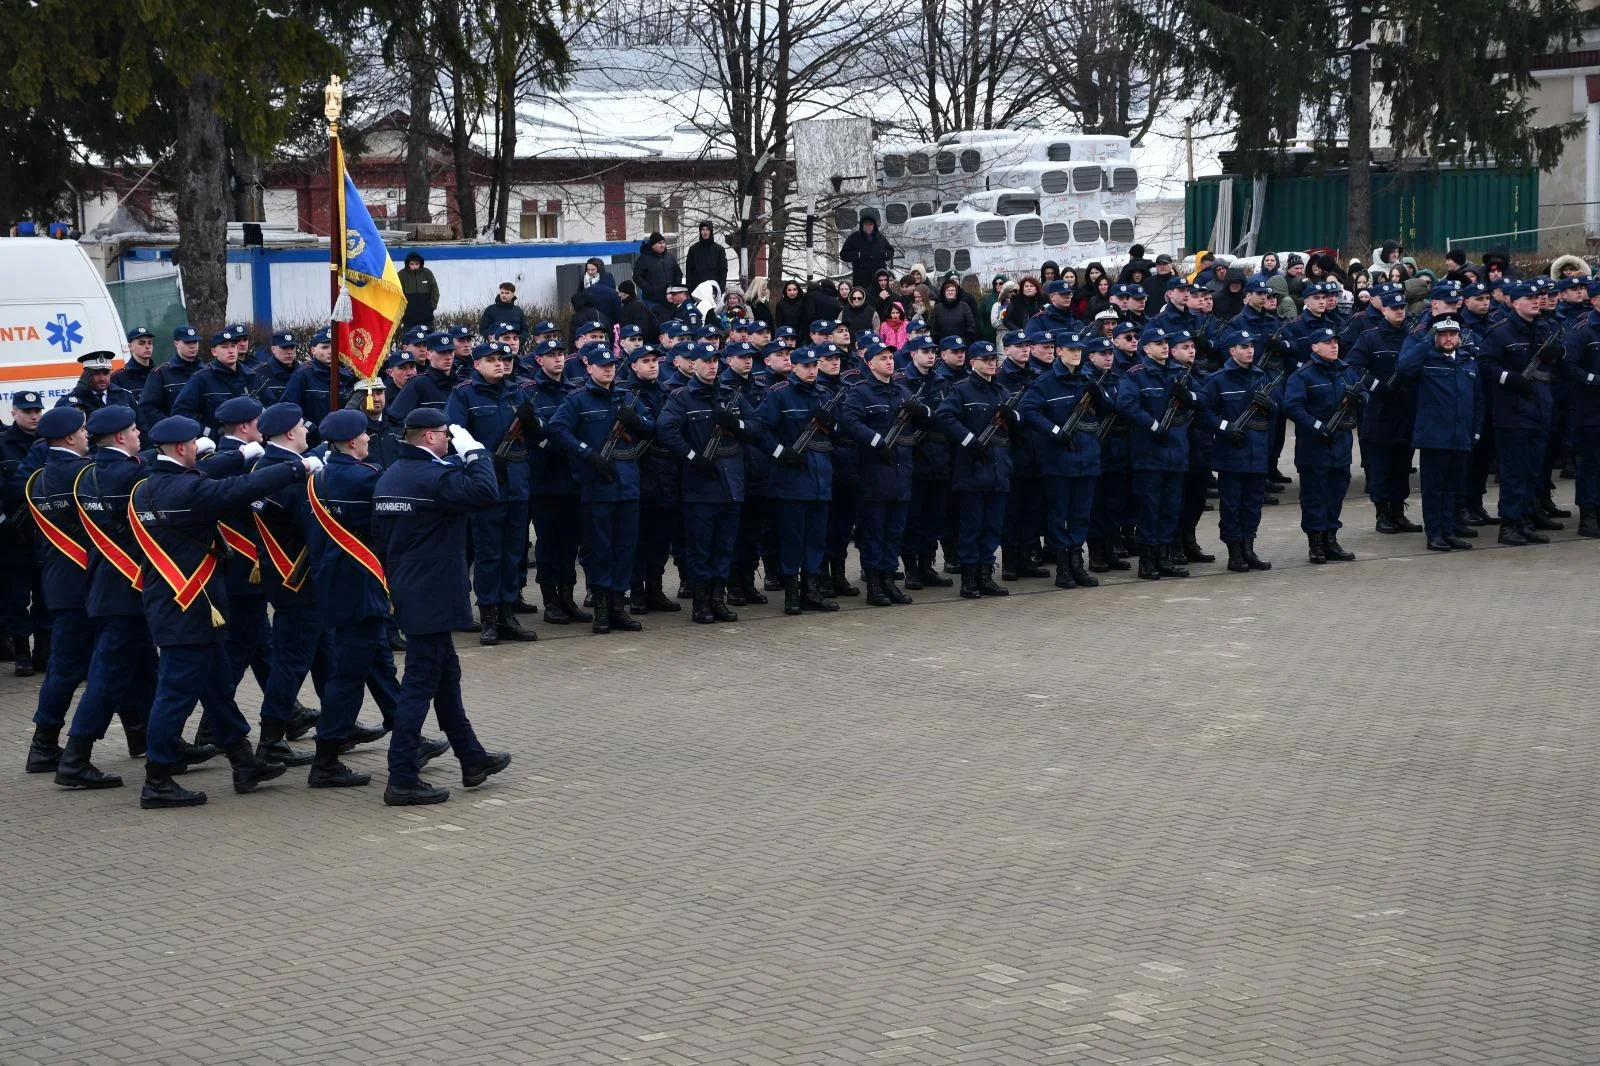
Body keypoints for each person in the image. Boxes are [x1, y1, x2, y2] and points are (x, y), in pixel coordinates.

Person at [130, 414, 313, 809]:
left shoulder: (147, 488)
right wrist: (296, 468)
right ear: (181, 448)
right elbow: (240, 488)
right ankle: (157, 778)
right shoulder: (188, 492)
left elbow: (210, 471)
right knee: (174, 695)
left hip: (181, 603)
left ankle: (244, 762)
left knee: (216, 689)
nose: (198, 449)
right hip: (188, 606)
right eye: (194, 443)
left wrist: (242, 453)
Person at [371, 409, 512, 806]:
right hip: (432, 594)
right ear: (430, 437)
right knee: (419, 685)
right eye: (445, 436)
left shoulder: (392, 475)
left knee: (446, 677)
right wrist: (477, 454)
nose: (450, 441)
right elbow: (486, 494)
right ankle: (401, 775)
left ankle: (471, 757)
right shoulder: (432, 477)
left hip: (408, 588)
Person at [300, 408, 401, 787]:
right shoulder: (364, 479)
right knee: (347, 678)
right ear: (352, 441)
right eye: (363, 435)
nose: (368, 440)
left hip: (334, 583)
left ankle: (408, 733)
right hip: (362, 587)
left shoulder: (318, 479)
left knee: (379, 665)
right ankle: (325, 758)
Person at [548, 342, 655, 634]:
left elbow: (652, 427)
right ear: (589, 367)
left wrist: (638, 422)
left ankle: (619, 606)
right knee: (600, 549)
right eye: (602, 366)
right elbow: (557, 430)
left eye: (611, 366)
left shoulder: (628, 397)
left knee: (625, 547)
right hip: (597, 486)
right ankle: (602, 609)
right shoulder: (577, 400)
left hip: (628, 484)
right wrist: (587, 454)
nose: (608, 370)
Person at [19, 407, 100, 775]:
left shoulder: (38, 477)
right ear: (70, 438)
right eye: (84, 431)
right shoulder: (84, 474)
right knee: (67, 669)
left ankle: (139, 732)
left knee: (126, 661)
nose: (88, 436)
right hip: (84, 583)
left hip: (59, 582)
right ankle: (44, 744)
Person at [655, 342, 759, 623]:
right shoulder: (681, 398)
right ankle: (701, 603)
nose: (712, 365)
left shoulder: (730, 395)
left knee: (724, 547)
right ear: (693, 364)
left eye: (715, 360)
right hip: (700, 486)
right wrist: (692, 456)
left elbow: (757, 426)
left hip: (731, 485)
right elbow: (665, 429)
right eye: (705, 360)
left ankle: (718, 599)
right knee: (700, 549)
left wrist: (736, 424)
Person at [445, 342, 539, 644]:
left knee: (514, 553)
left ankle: (508, 613)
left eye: (504, 359)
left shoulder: (518, 392)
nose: (500, 364)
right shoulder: (464, 395)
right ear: (477, 364)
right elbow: (455, 435)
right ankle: (488, 616)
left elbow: (538, 437)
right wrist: (484, 458)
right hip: (486, 486)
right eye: (492, 359)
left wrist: (533, 421)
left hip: (517, 482)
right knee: (489, 554)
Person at [1018, 332, 1105, 589]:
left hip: (1087, 458)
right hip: (1059, 460)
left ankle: (1077, 563)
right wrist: (1054, 431)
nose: (1076, 354)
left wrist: (1099, 396)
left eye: (1079, 350)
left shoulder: (1088, 379)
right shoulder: (1045, 383)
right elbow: (1028, 410)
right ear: (1059, 351)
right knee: (1058, 515)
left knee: (1081, 514)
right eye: (1071, 349)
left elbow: (1108, 410)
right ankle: (1063, 567)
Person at [1478, 280, 1561, 545]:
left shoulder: (1544, 328)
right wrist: (1508, 378)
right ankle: (1510, 524)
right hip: (1512, 412)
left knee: (1532, 470)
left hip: (1539, 409)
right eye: (1529, 297)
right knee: (1514, 472)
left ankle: (1525, 519)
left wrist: (1558, 352)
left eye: (1538, 297)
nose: (1537, 301)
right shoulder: (1501, 332)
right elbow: (1485, 364)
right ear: (1514, 303)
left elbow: (1565, 353)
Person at [1114, 324, 1196, 579]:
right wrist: (1152, 424)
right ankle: (1148, 561)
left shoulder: (1179, 373)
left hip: (1177, 452)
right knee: (1149, 508)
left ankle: (1165, 557)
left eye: (1165, 343)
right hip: (1149, 453)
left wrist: (1189, 396)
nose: (1163, 347)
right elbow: (1126, 404)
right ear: (1145, 348)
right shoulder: (1136, 374)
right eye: (1158, 343)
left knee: (1171, 508)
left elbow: (1202, 399)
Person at [934, 341, 1015, 598]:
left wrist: (1013, 417)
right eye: (986, 358)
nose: (992, 362)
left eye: (994, 358)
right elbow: (944, 417)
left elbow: (1017, 424)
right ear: (973, 362)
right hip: (972, 470)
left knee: (992, 528)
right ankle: (969, 579)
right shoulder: (962, 390)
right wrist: (970, 440)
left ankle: (985, 575)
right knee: (972, 528)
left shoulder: (1001, 391)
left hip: (998, 469)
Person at [837, 341, 916, 606]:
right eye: (882, 358)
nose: (889, 362)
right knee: (874, 532)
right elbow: (849, 422)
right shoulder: (860, 393)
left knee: (895, 531)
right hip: (874, 472)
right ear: (870, 364)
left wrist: (922, 412)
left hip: (900, 472)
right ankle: (874, 584)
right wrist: (875, 441)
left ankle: (888, 580)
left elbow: (927, 420)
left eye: (890, 358)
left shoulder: (903, 392)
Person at [1394, 318, 1483, 551]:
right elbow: (1403, 368)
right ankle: (1434, 533)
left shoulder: (1468, 361)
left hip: (1461, 435)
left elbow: (1478, 400)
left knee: (1454, 488)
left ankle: (1449, 530)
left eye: (1453, 334)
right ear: (1435, 336)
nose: (1448, 339)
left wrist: (1475, 432)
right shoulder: (1426, 360)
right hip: (1435, 437)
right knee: (1434, 489)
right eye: (1442, 334)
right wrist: (1426, 340)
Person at [1345, 290, 1423, 534]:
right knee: (1381, 467)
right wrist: (1376, 386)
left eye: (1403, 308)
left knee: (1402, 466)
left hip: (1407, 410)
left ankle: (1399, 512)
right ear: (1384, 310)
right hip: (1378, 412)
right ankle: (1382, 514)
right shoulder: (1370, 338)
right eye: (1395, 308)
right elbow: (1352, 366)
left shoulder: (1413, 337)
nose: (1400, 311)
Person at [1284, 327, 1364, 563]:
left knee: (1336, 494)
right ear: (1314, 347)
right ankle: (1316, 543)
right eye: (1327, 342)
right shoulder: (1303, 375)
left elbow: (1363, 392)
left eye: (1335, 342)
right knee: (1314, 497)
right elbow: (1292, 407)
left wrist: (1359, 399)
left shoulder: (1345, 371)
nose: (1333, 346)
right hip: (1314, 447)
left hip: (1341, 445)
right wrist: (1317, 426)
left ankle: (1331, 539)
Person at [1198, 329, 1276, 572]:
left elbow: (1278, 408)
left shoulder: (1261, 376)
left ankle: (1248, 548)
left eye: (1251, 346)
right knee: (1231, 505)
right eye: (1243, 347)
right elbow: (1203, 412)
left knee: (1252, 505)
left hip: (1258, 452)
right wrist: (1225, 427)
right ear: (1232, 351)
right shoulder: (1218, 380)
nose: (1249, 350)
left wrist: (1271, 405)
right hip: (1232, 453)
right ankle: (1234, 552)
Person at [0, 390, 48, 675]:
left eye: (37, 411)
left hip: (44, 531)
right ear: (14, 413)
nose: (33, 416)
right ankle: (22, 651)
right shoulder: (3, 445)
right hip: (13, 536)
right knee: (16, 596)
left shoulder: (49, 443)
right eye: (27, 411)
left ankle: (44, 649)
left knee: (45, 594)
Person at [173, 327, 256, 434]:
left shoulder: (251, 376)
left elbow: (269, 404)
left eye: (233, 346)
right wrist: (208, 432)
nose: (230, 351)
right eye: (224, 347)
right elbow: (181, 412)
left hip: (249, 440)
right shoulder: (202, 378)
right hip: (216, 443)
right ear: (214, 352)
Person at [282, 329, 354, 437]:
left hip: (342, 437)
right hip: (312, 440)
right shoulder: (303, 375)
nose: (331, 351)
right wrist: (310, 427)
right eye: (325, 347)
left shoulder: (346, 376)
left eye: (334, 346)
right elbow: (288, 409)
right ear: (313, 350)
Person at [138, 324, 204, 428]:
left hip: (206, 434)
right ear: (176, 343)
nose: (192, 346)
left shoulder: (205, 372)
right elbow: (147, 407)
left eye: (195, 342)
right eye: (187, 342)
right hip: (174, 435)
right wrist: (171, 425)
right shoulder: (161, 373)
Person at [59, 350, 140, 423]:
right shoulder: (78, 398)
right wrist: (78, 391)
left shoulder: (124, 395)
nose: (102, 379)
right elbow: (61, 414)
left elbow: (142, 429)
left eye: (105, 373)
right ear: (86, 375)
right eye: (96, 373)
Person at [839, 213, 894, 288]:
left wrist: (886, 254)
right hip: (861, 279)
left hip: (879, 278)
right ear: (862, 225)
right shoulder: (854, 238)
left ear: (874, 225)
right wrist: (857, 255)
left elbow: (891, 251)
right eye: (866, 224)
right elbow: (843, 254)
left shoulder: (880, 237)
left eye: (870, 224)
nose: (868, 226)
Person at [633, 232, 683, 311]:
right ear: (652, 245)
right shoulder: (644, 258)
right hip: (652, 301)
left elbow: (678, 273)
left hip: (670, 299)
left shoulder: (669, 257)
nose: (662, 245)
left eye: (663, 242)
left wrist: (674, 288)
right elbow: (637, 276)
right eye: (660, 243)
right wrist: (650, 289)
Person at [252, 331, 300, 405]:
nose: (289, 352)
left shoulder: (303, 372)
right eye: (284, 347)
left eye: (292, 347)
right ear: (273, 349)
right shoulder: (258, 374)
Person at [685, 221, 729, 296]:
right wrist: (690, 289)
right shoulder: (693, 249)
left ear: (711, 231)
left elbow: (723, 271)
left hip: (714, 291)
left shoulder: (719, 250)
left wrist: (720, 289)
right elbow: (689, 272)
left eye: (707, 229)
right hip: (696, 291)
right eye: (703, 229)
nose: (705, 232)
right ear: (700, 231)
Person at [112, 326, 157, 398]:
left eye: (150, 343)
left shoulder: (159, 373)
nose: (147, 346)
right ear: (130, 346)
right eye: (141, 343)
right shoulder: (118, 378)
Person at [399, 251, 439, 329]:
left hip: (426, 318)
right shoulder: (401, 275)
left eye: (417, 264)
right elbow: (398, 294)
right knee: (410, 340)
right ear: (408, 264)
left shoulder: (427, 273)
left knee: (428, 339)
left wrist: (431, 307)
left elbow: (435, 291)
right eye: (412, 264)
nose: (414, 266)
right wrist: (403, 311)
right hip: (409, 319)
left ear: (420, 264)